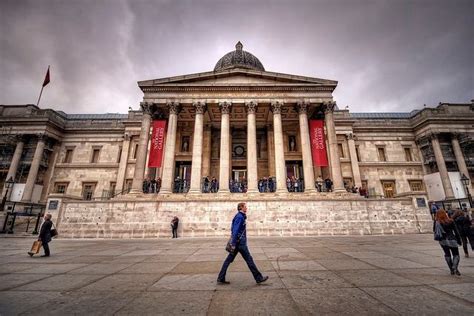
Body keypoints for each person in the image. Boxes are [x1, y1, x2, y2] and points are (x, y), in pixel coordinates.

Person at [217, 203, 268, 285]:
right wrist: (233, 243)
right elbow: (235, 230)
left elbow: (234, 229)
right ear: (241, 208)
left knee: (228, 260)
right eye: (245, 207)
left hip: (238, 243)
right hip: (240, 244)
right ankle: (258, 278)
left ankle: (221, 277)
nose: (246, 208)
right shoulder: (240, 217)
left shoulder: (240, 216)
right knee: (249, 260)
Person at [434, 209, 462, 275]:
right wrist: (459, 240)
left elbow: (434, 231)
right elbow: (456, 232)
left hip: (443, 240)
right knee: (456, 254)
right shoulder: (450, 221)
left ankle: (452, 270)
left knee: (447, 254)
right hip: (452, 239)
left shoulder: (437, 222)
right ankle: (454, 267)